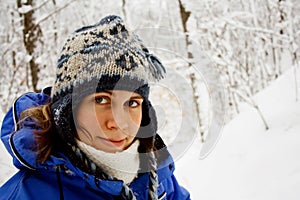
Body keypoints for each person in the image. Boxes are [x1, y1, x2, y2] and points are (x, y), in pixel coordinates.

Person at [0, 15, 190, 200]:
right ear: (67, 112)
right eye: (101, 100)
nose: (119, 122)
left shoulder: (158, 176)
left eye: (132, 103)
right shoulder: (26, 194)